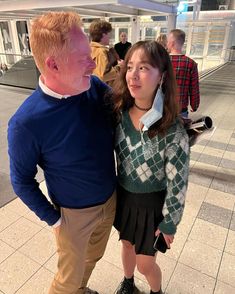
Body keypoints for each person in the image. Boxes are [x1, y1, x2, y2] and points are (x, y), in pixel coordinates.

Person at [8, 11, 117, 294]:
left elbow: (123, 115)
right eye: (84, 57)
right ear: (53, 64)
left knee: (93, 257)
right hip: (73, 216)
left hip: (110, 200)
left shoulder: (93, 87)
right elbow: (21, 181)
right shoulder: (26, 123)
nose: (93, 64)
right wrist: (55, 221)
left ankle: (81, 288)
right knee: (65, 281)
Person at [112, 41, 190, 294]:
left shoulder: (172, 129)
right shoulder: (118, 115)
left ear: (162, 76)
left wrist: (170, 222)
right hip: (124, 197)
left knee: (146, 263)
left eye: (143, 68)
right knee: (125, 245)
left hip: (152, 203)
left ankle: (156, 291)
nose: (133, 75)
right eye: (130, 66)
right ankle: (127, 282)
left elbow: (178, 180)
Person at [167, 29, 200, 118]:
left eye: (168, 41)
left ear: (172, 43)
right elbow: (194, 87)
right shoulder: (191, 63)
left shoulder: (161, 61)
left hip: (162, 108)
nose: (167, 43)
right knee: (180, 131)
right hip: (181, 109)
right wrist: (195, 105)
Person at [89, 19, 119, 85]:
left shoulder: (88, 49)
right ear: (103, 34)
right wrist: (119, 67)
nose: (110, 37)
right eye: (109, 34)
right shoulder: (101, 52)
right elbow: (102, 76)